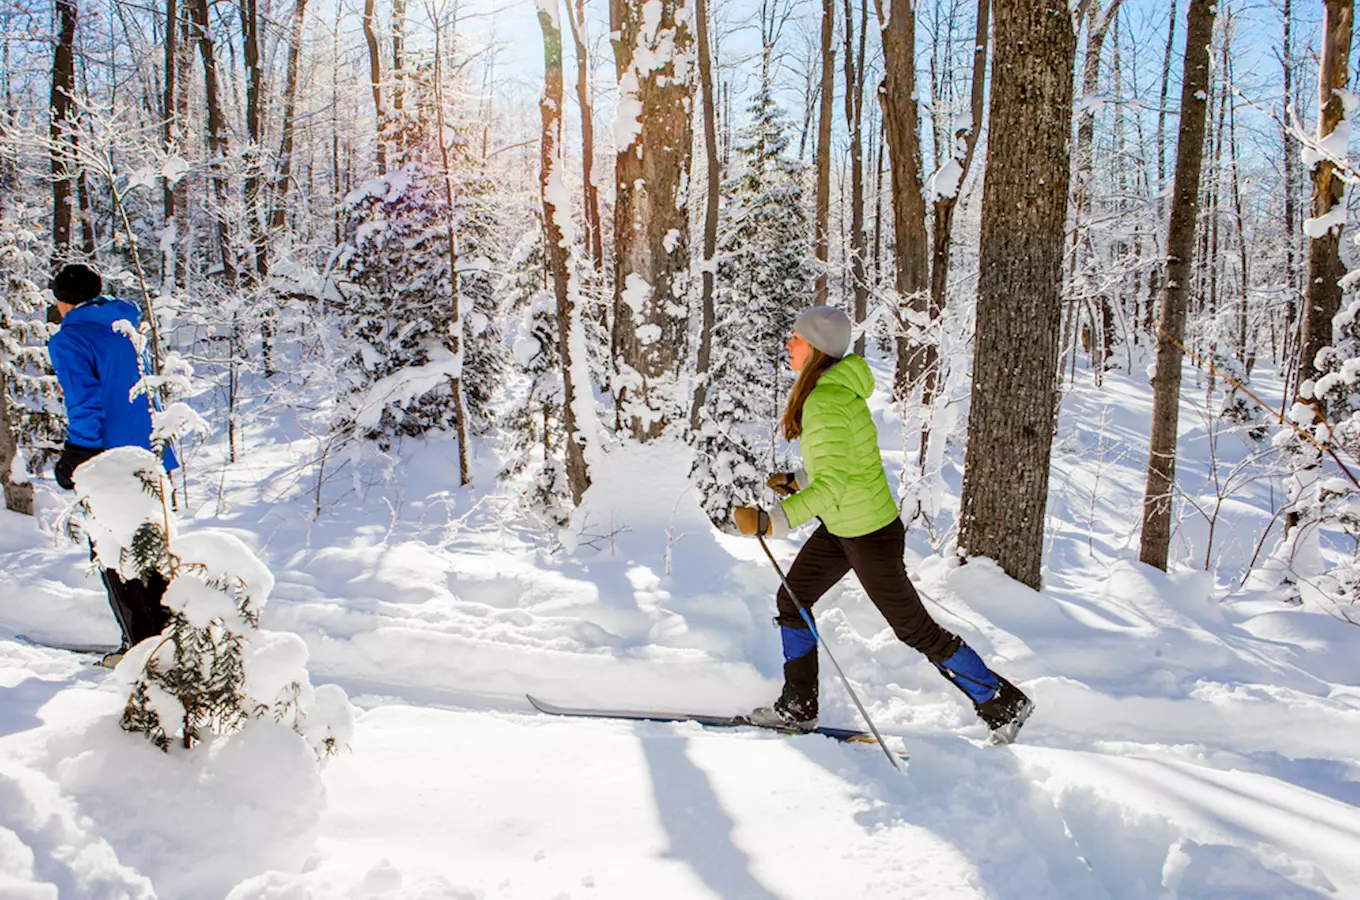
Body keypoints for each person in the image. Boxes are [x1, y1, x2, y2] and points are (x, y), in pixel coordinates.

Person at [731, 305, 1034, 744]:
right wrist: (797, 480)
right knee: (792, 599)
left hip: (868, 535)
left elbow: (833, 484)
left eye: (795, 338)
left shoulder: (826, 401)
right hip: (844, 527)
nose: (788, 344)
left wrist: (769, 522)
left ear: (815, 348)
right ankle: (798, 707)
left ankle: (1003, 703)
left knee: (914, 630)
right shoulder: (835, 392)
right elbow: (847, 466)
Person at [48, 263, 175, 666]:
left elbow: (84, 401)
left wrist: (77, 453)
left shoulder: (72, 337)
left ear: (63, 301)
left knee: (114, 551)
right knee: (153, 551)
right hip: (152, 452)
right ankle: (168, 643)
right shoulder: (125, 327)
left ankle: (139, 652)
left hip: (109, 459)